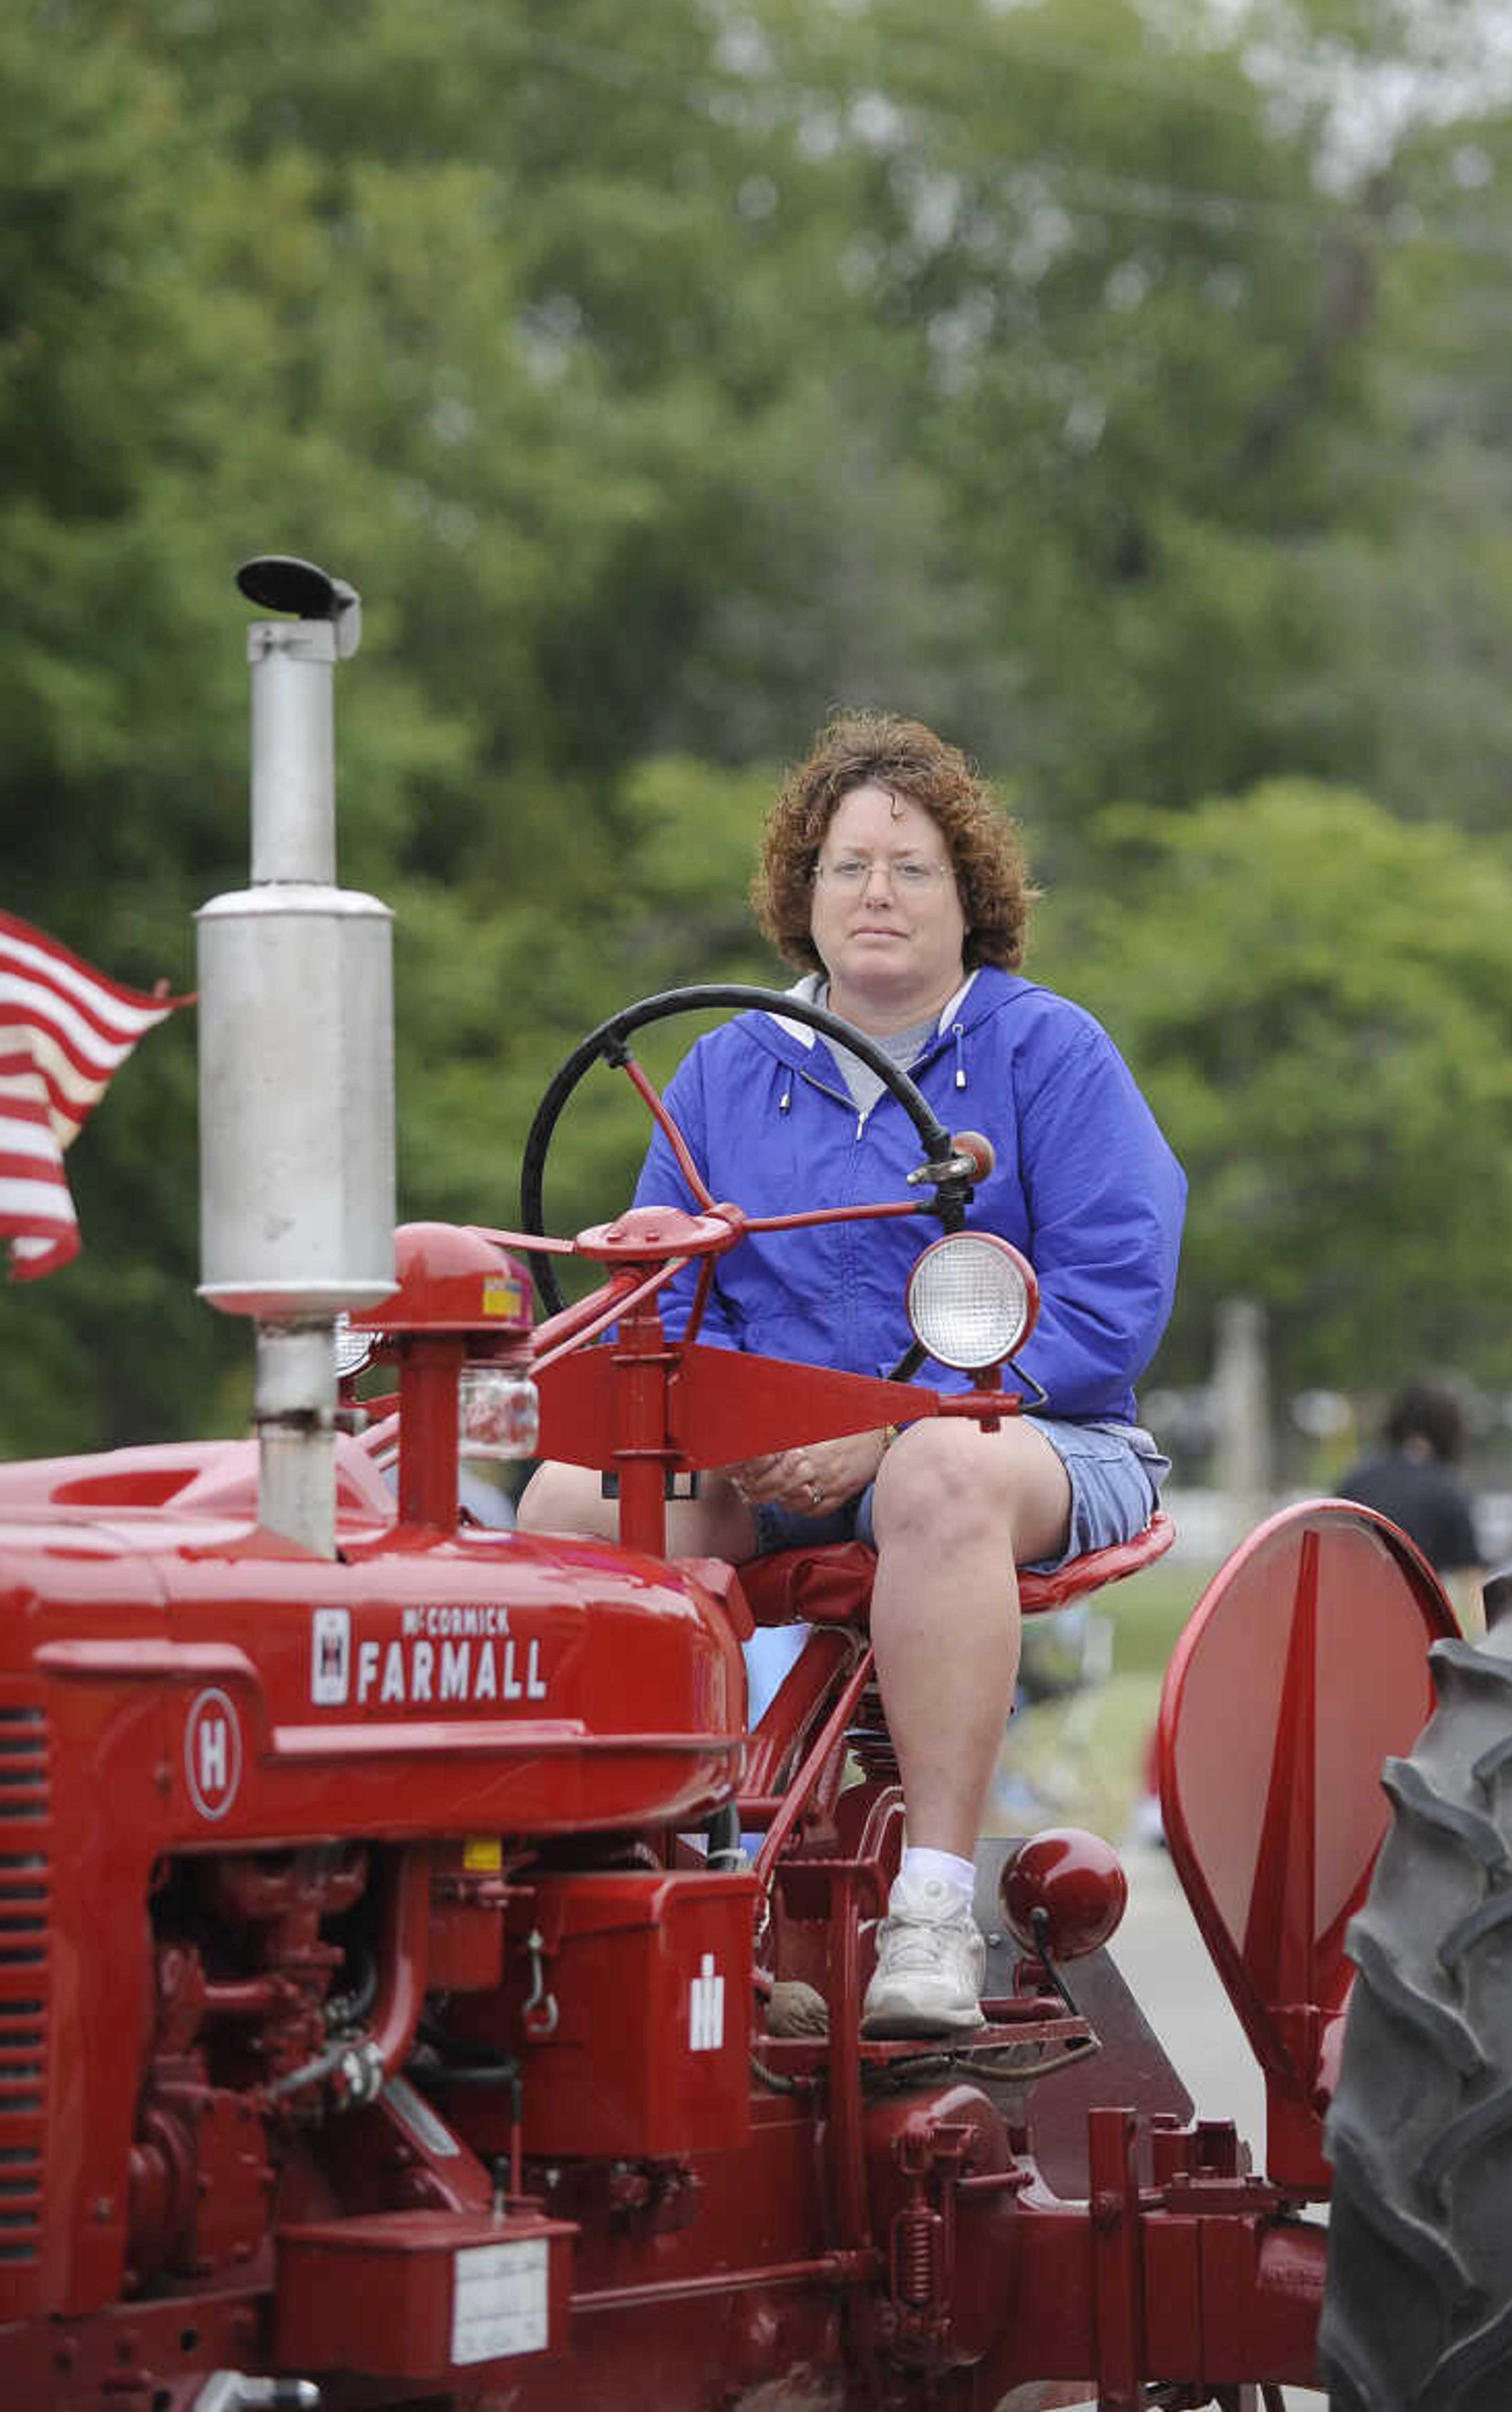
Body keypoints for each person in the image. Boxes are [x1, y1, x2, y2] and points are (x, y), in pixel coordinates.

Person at [519, 712, 1186, 2036]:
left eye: (911, 865)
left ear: (969, 897)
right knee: (565, 1506)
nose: (874, 890)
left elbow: (1111, 1299)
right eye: (844, 865)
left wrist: (889, 1431)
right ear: (801, 894)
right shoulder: (722, 1069)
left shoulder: (1045, 1052)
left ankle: (933, 1906)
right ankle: (657, 1869)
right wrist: (706, 1426)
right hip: (783, 1462)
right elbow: (659, 1299)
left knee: (940, 1470)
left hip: (1029, 1442)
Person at [1334, 1380, 1483, 1580]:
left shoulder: (1354, 1480)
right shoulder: (1448, 1492)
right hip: (1411, 1609)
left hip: (1350, 1603)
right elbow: (1470, 1581)